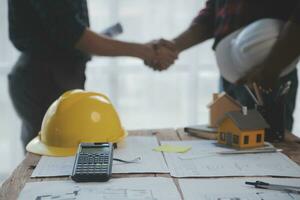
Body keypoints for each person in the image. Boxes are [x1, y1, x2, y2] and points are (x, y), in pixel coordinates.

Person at [7, 0, 177, 150]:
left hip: (55, 75)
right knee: (50, 161)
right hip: (44, 78)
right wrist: (146, 51)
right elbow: (73, 34)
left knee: (64, 156)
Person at [151, 0, 300, 132]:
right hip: (233, 66)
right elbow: (212, 15)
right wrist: (174, 46)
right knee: (228, 135)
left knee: (273, 149)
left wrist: (270, 69)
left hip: (272, 73)